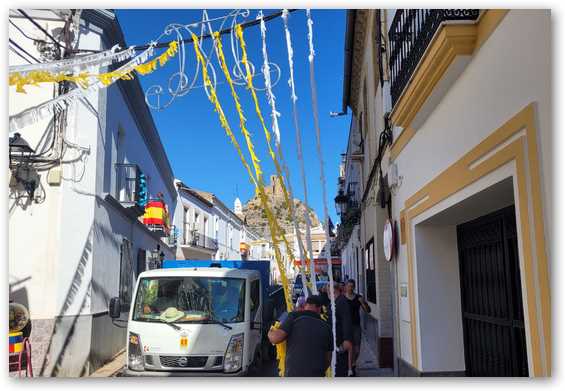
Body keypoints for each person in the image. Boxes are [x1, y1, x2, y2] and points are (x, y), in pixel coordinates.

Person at [268, 295, 333, 377]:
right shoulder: (327, 327)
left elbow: (275, 339)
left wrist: (270, 332)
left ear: (306, 305)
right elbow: (328, 359)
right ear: (319, 308)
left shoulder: (294, 317)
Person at [344, 279, 371, 376]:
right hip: (346, 326)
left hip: (356, 326)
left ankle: (353, 364)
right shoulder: (342, 298)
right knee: (348, 348)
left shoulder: (358, 298)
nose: (350, 288)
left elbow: (368, 311)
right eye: (349, 286)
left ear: (354, 287)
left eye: (352, 286)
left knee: (357, 349)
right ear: (345, 287)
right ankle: (349, 367)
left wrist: (363, 303)